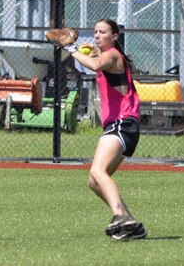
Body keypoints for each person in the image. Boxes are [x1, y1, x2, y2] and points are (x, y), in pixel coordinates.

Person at [46, 19, 147, 240]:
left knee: (97, 171)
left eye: (103, 32)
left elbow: (95, 65)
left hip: (122, 122)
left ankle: (120, 216)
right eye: (95, 32)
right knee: (94, 182)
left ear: (115, 37)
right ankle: (132, 225)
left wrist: (71, 49)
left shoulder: (112, 55)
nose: (98, 35)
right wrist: (87, 51)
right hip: (120, 125)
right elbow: (94, 61)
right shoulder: (105, 56)